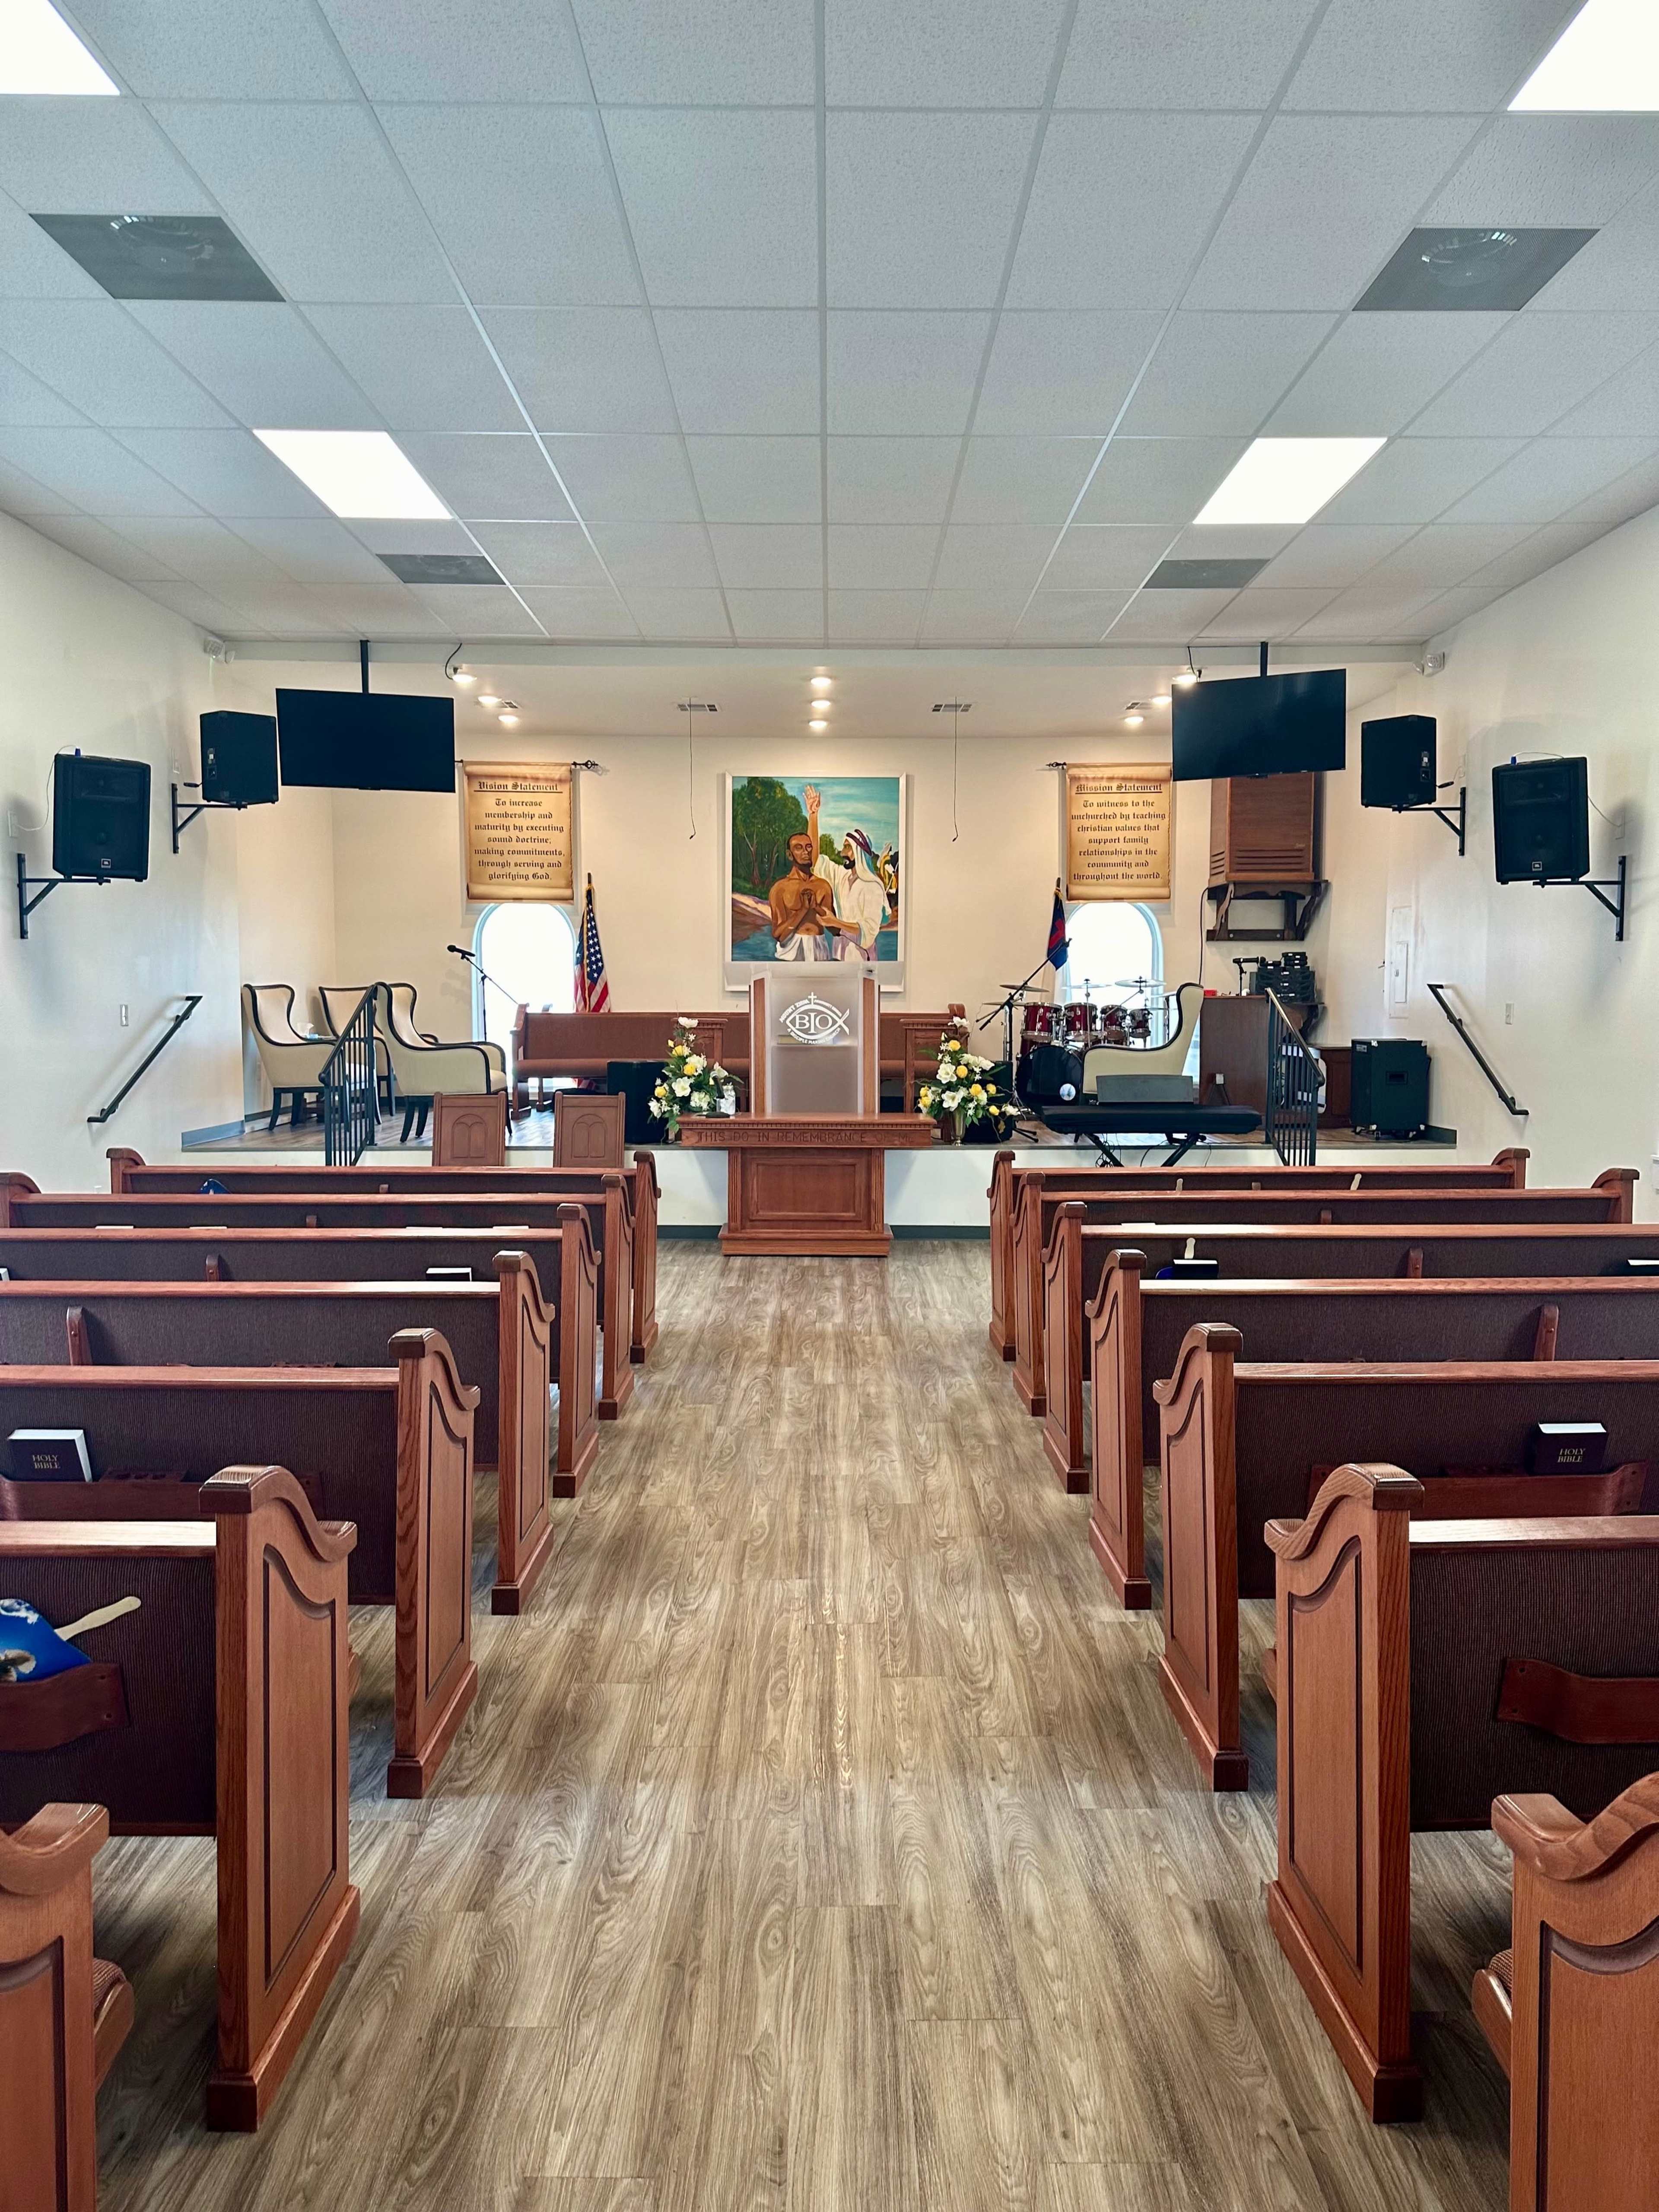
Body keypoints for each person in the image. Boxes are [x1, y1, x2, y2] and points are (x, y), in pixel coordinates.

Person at [768, 830, 858, 960]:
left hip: (819, 949)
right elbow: (779, 935)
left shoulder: (823, 886)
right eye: (799, 848)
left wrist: (817, 908)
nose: (806, 852)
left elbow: (835, 931)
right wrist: (803, 910)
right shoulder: (780, 888)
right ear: (790, 855)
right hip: (790, 952)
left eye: (809, 847)